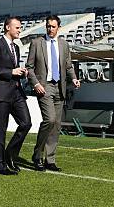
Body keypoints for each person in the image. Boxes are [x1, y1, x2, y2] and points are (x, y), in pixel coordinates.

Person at [26, 14, 80, 171]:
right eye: (48, 26)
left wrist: (74, 79)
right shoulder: (37, 43)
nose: (50, 29)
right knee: (49, 120)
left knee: (56, 125)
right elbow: (29, 67)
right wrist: (35, 83)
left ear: (59, 28)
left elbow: (68, 66)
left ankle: (50, 160)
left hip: (60, 87)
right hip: (44, 87)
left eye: (53, 26)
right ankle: (37, 155)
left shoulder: (64, 44)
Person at [0, 16, 32, 175]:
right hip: (0, 93)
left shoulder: (16, 48)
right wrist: (10, 72)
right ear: (7, 27)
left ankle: (9, 154)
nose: (20, 30)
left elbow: (12, 69)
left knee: (26, 123)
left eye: (20, 27)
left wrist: (20, 72)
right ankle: (0, 165)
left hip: (16, 92)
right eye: (17, 27)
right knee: (1, 129)